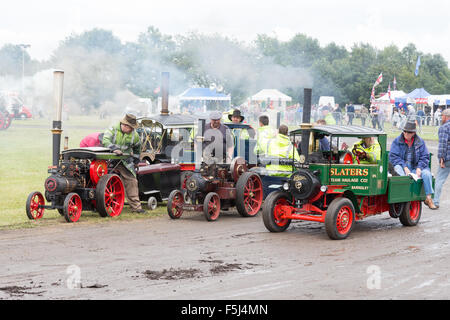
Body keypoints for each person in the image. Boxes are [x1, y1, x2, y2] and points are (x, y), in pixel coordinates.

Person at [102, 113, 145, 213]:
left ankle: (136, 208)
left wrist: (136, 161)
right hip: (109, 160)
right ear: (124, 125)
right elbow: (105, 140)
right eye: (131, 128)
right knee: (102, 180)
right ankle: (103, 204)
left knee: (132, 181)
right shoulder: (112, 129)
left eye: (133, 128)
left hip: (125, 161)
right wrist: (114, 149)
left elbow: (137, 148)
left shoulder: (135, 135)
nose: (132, 130)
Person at [389, 121, 436, 209]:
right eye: (405, 131)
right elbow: (393, 156)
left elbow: (425, 157)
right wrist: (404, 166)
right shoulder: (397, 141)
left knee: (427, 174)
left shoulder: (420, 142)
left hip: (416, 167)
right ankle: (403, 195)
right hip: (403, 166)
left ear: (413, 133)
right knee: (398, 169)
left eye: (409, 132)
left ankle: (428, 199)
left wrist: (419, 167)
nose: (406, 133)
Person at [433, 108, 450, 209]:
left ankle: (435, 202)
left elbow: (443, 144)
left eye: (442, 116)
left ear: (445, 116)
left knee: (439, 179)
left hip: (447, 157)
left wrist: (441, 158)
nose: (441, 118)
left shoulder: (445, 127)